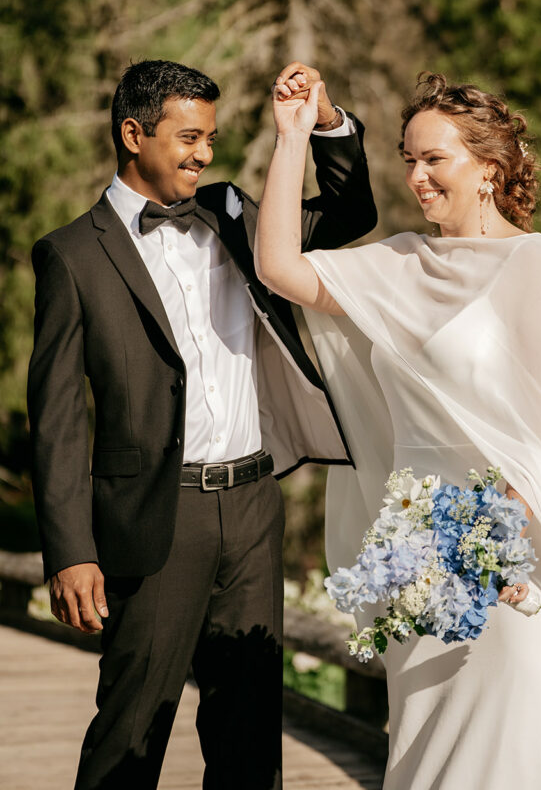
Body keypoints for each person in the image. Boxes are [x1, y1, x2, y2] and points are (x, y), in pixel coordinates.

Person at [254, 72, 541, 789]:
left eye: (435, 160)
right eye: (409, 160)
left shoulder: (531, 266)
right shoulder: (393, 264)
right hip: (412, 562)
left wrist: (490, 558)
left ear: (487, 168)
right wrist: (293, 134)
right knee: (427, 756)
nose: (417, 177)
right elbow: (277, 266)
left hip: (507, 569)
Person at [27, 58, 377, 790]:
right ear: (133, 133)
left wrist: (323, 120)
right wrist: (70, 551)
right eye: (189, 137)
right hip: (156, 518)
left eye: (211, 138)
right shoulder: (71, 255)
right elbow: (57, 418)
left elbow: (348, 215)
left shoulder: (235, 213)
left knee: (249, 729)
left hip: (253, 504)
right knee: (133, 726)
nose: (204, 154)